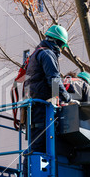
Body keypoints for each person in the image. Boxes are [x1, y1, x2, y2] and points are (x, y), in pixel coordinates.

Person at [24, 25, 77, 154]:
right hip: (40, 107)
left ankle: (30, 170)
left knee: (37, 144)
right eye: (62, 46)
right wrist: (68, 99)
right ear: (58, 42)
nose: (62, 49)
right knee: (39, 146)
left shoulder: (36, 53)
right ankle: (31, 171)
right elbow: (54, 79)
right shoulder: (47, 54)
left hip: (35, 105)